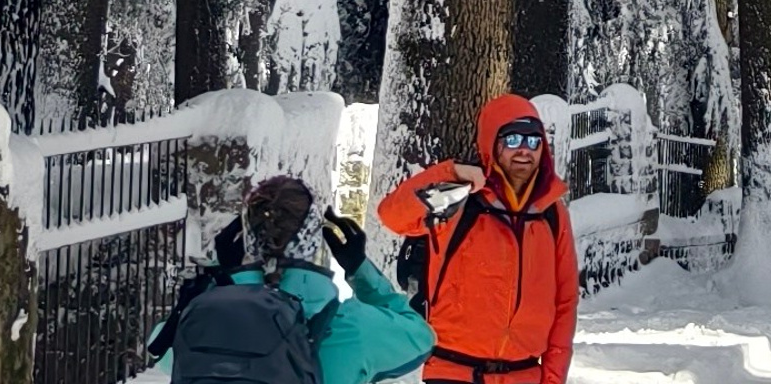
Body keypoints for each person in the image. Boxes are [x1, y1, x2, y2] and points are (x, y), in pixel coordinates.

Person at [152, 174, 435, 384]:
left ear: (246, 238)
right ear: (313, 241)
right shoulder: (352, 327)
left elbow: (161, 347)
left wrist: (224, 277)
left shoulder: (208, 321)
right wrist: (359, 268)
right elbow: (421, 338)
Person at [376, 94, 580, 384]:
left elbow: (565, 300)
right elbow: (392, 215)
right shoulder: (460, 197)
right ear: (491, 143)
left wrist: (552, 377)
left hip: (523, 375)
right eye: (512, 140)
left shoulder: (552, 213)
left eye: (533, 141)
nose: (524, 150)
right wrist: (452, 172)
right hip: (453, 372)